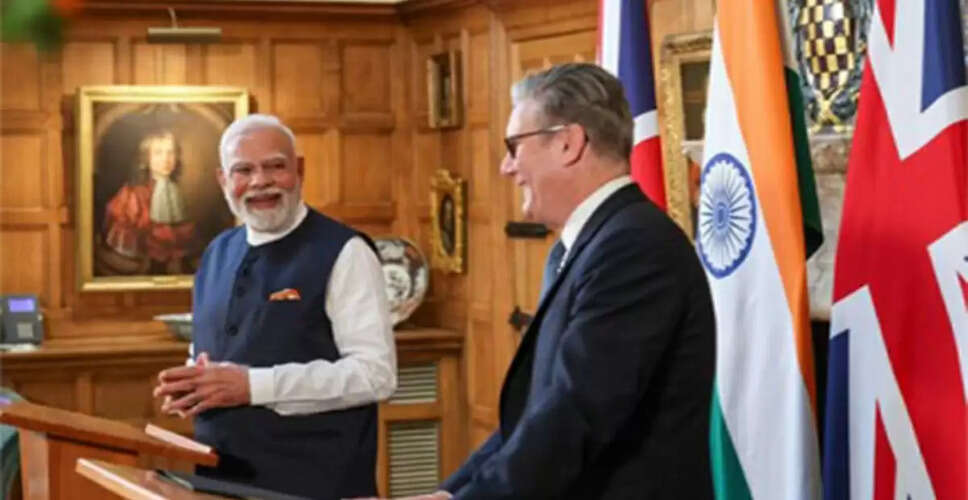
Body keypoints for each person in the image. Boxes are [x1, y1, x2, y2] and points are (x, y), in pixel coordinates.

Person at [421, 63, 717, 499]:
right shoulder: (585, 245)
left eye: (514, 147)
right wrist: (449, 494)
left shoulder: (634, 248)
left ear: (568, 143)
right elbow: (533, 417)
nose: (506, 167)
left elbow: (575, 414)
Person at [153, 114, 397, 499]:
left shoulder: (346, 251)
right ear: (223, 180)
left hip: (319, 487)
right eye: (244, 170)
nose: (260, 181)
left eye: (274, 167)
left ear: (299, 171)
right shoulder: (216, 252)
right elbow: (213, 354)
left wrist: (252, 386)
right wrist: (195, 387)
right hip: (218, 484)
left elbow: (376, 375)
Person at [102, 130, 197, 274]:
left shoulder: (176, 192)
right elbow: (123, 238)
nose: (166, 159)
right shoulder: (131, 194)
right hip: (139, 266)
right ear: (147, 158)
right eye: (158, 153)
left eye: (170, 153)